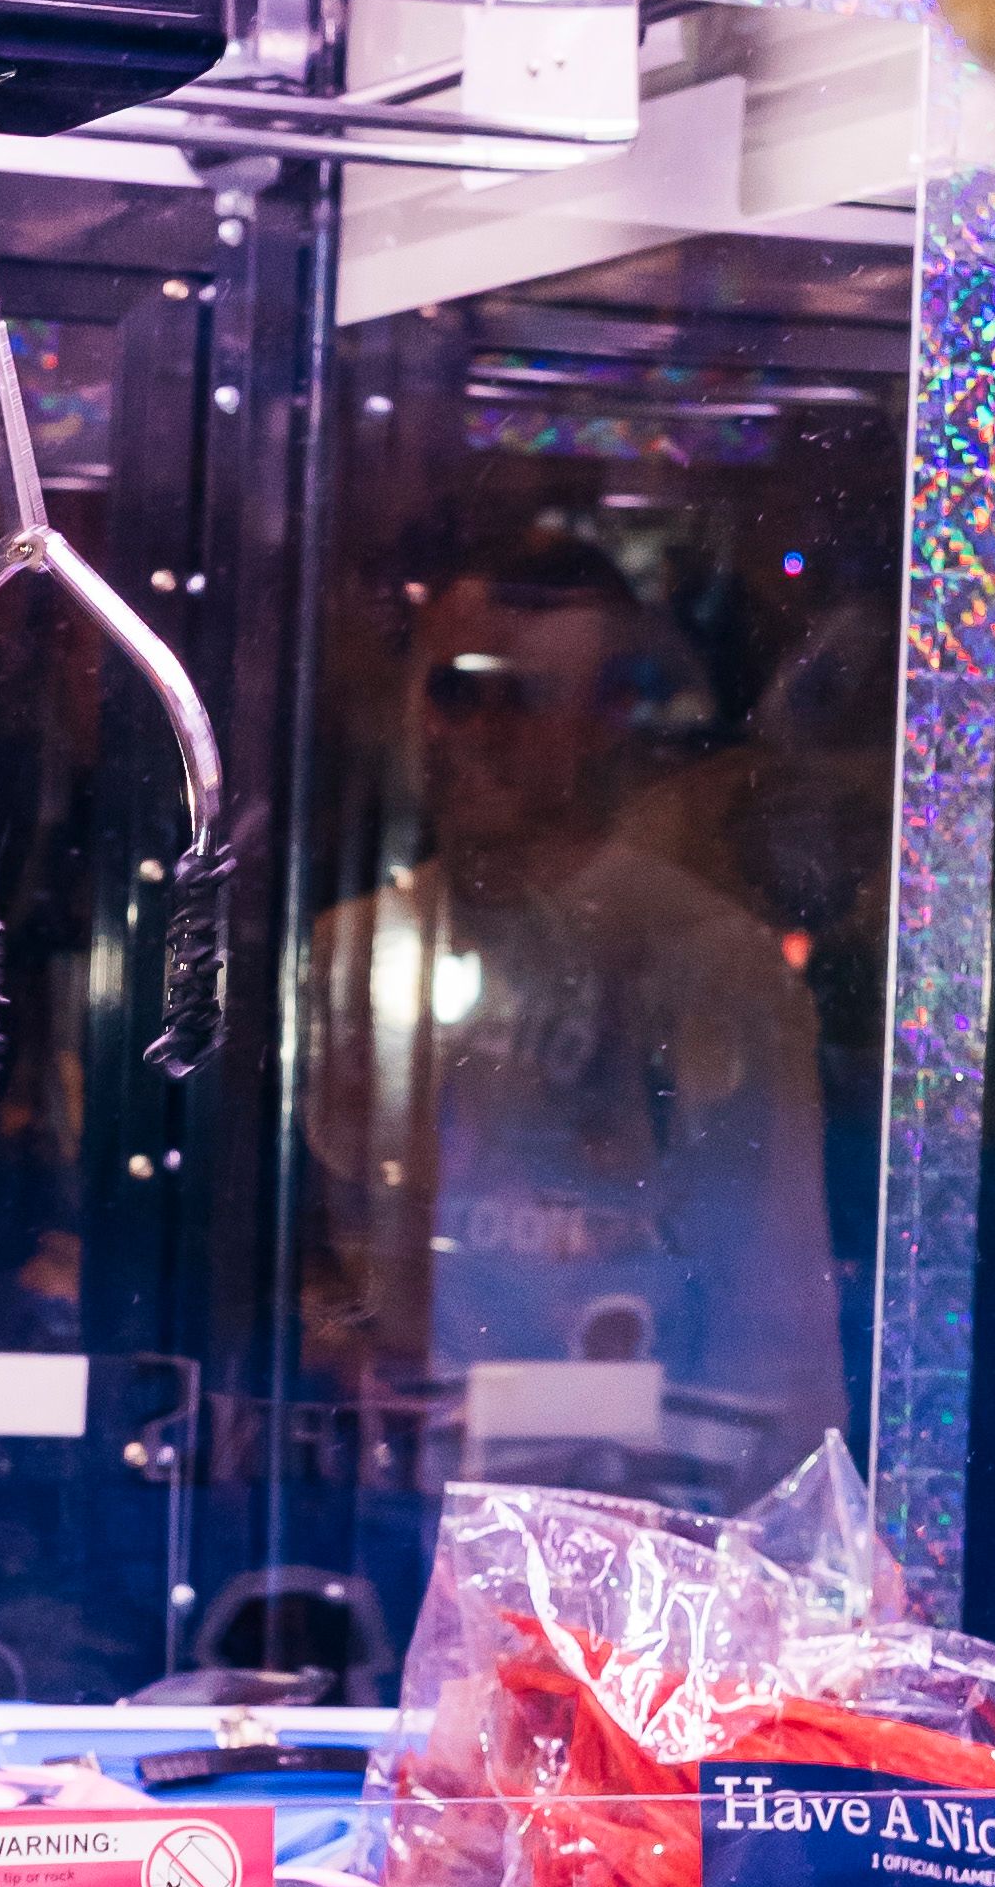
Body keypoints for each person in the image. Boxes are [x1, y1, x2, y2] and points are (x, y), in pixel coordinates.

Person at [300, 534, 850, 1496]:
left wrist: (773, 1557)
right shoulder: (354, 949)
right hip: (389, 1500)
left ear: (608, 718)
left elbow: (775, 1328)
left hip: (620, 1512)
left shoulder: (706, 962)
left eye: (523, 697)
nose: (478, 732)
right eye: (454, 692)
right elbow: (312, 1255)